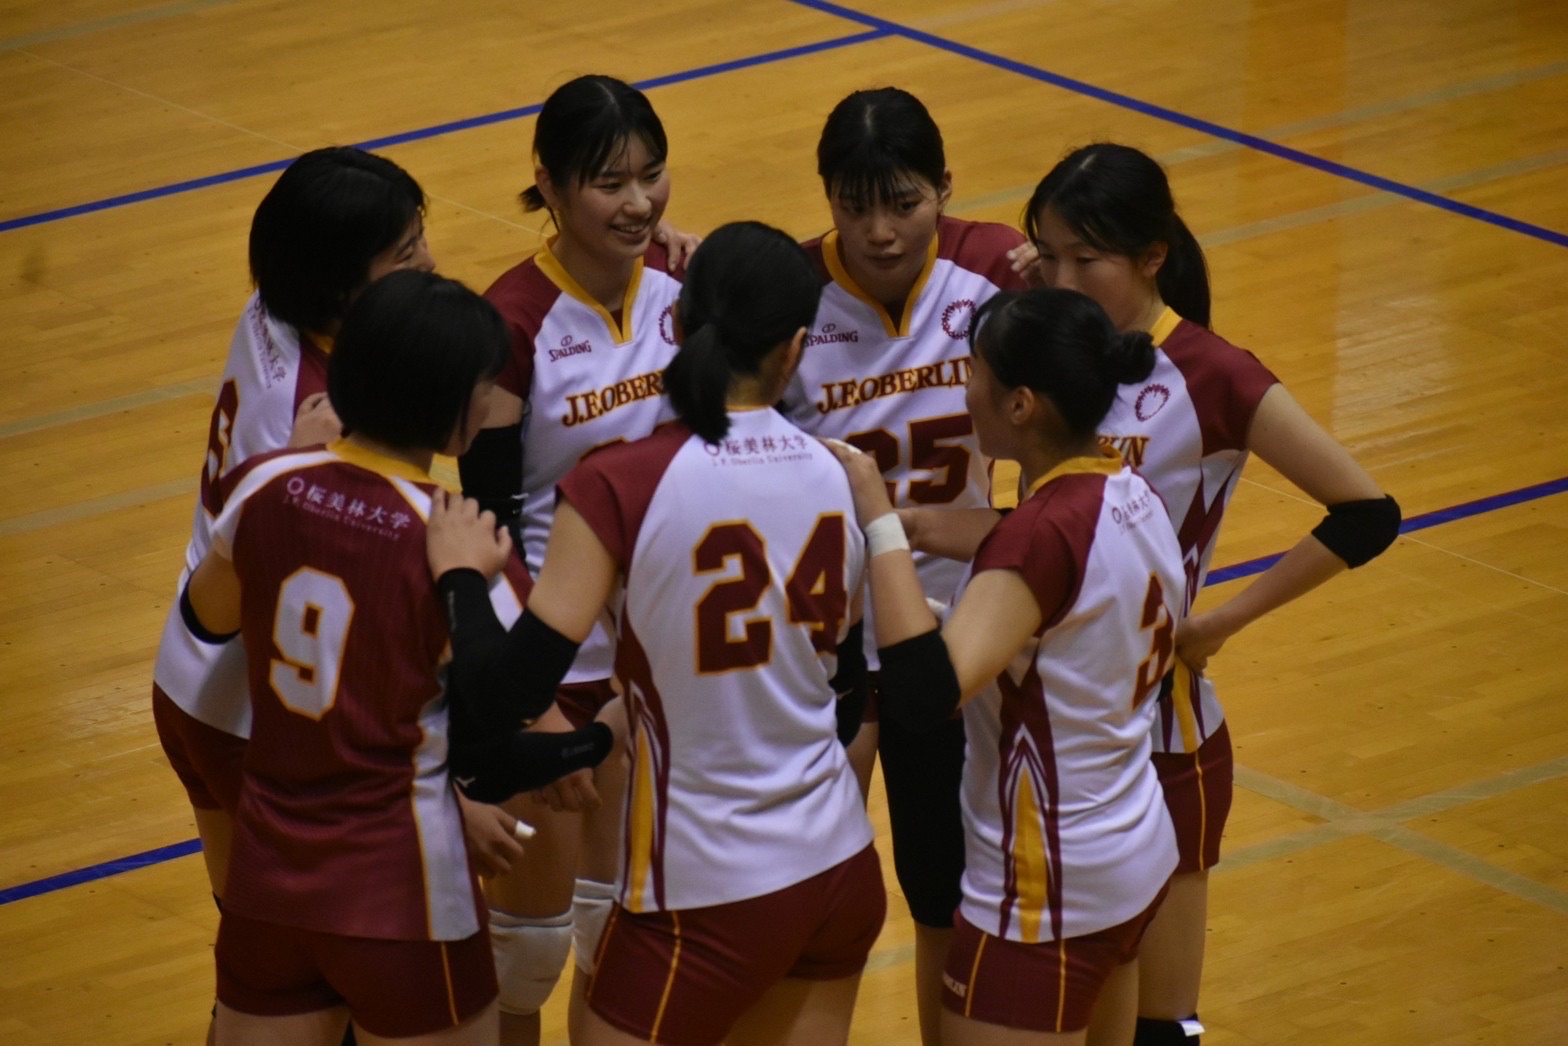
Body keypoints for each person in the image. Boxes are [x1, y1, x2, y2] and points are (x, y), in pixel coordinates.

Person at [921, 143, 1401, 1044]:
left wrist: (1220, 621)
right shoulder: (1054, 352)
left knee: (1159, 1027)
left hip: (1161, 738)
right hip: (1056, 738)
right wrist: (903, 525)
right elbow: (1046, 539)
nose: (1060, 278)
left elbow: (1369, 511)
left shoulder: (1214, 374)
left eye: (1084, 259)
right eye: (1048, 255)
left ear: (1152, 257)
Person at [431, 222, 885, 1046]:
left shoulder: (620, 483)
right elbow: (848, 698)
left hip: (703, 894)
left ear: (674, 325)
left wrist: (461, 577)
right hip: (839, 869)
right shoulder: (841, 473)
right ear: (794, 350)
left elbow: (508, 690)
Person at [181, 270, 611, 1044]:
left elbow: (205, 617)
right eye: (484, 387)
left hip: (268, 885)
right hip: (404, 897)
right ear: (454, 408)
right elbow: (545, 743)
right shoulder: (461, 542)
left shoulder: (263, 484)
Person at [827, 287, 1183, 1045]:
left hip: (1046, 884)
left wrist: (880, 525)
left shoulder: (1040, 538)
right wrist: (918, 525)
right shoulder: (1131, 489)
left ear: (1020, 405)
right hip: (1134, 851)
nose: (965, 390)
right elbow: (1039, 550)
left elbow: (925, 695)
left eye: (975, 374)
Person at [774, 85, 1029, 1045]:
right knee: (799, 895)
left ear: (946, 187)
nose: (880, 231)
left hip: (952, 639)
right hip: (821, 645)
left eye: (904, 203)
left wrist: (1057, 271)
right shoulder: (791, 292)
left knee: (942, 888)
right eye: (854, 206)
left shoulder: (998, 269)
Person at [453, 72, 701, 1045]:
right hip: (555, 661)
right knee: (526, 948)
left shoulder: (686, 290)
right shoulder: (510, 322)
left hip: (660, 660)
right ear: (550, 186)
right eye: (609, 182)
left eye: (651, 175)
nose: (638, 202)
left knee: (620, 932)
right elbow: (487, 520)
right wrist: (532, 694)